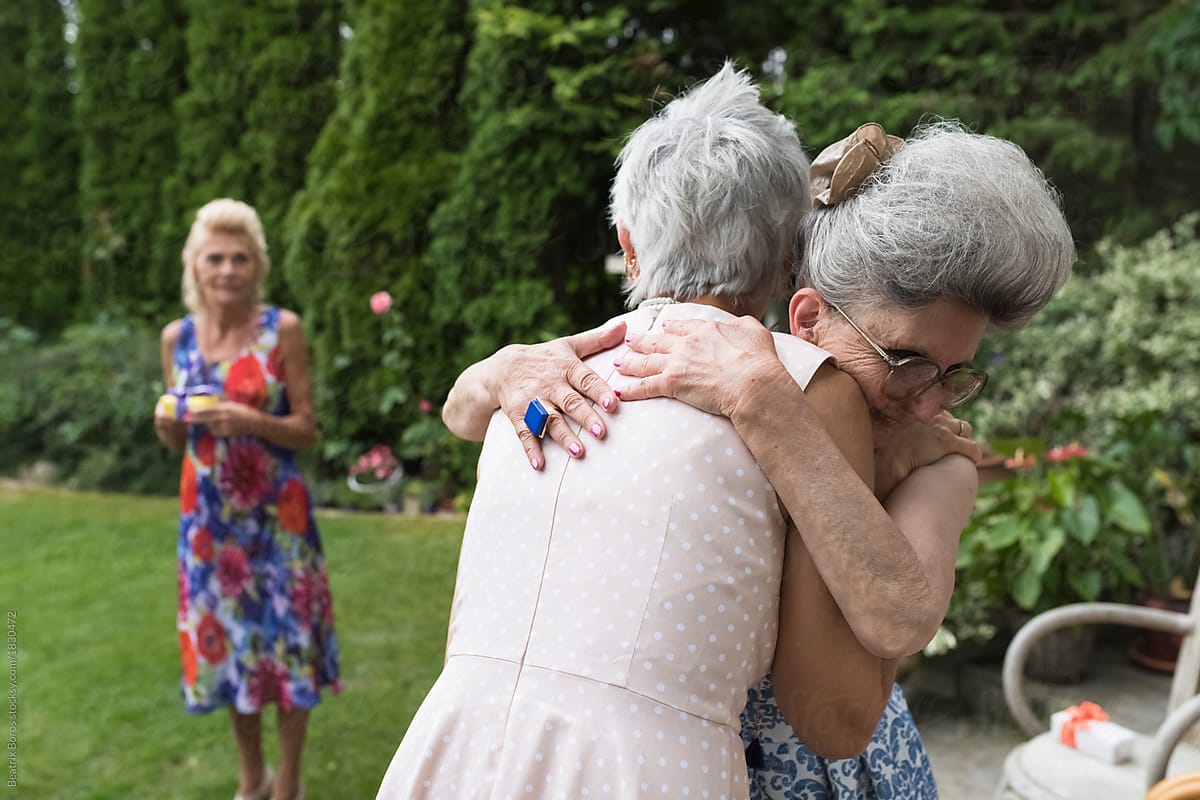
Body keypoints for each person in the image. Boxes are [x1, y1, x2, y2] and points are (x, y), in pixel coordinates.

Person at [441, 120, 1075, 798]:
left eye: (954, 373)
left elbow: (883, 643)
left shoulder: (938, 462)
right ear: (804, 320)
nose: (927, 404)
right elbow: (464, 414)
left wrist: (775, 416)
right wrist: (503, 369)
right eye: (906, 362)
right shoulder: (715, 378)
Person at [377, 62, 899, 800]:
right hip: (645, 773)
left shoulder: (533, 378)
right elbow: (835, 717)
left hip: (451, 751)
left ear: (628, 242)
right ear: (789, 259)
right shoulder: (804, 385)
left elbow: (462, 412)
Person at [153, 198, 340, 800]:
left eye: (240, 258)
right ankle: (250, 777)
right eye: (215, 258)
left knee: (285, 649)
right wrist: (168, 423)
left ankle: (287, 784)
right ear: (195, 266)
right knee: (229, 647)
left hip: (276, 524)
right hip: (208, 528)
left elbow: (309, 428)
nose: (227, 269)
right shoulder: (176, 339)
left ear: (257, 266)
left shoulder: (281, 330)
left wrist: (252, 421)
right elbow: (180, 434)